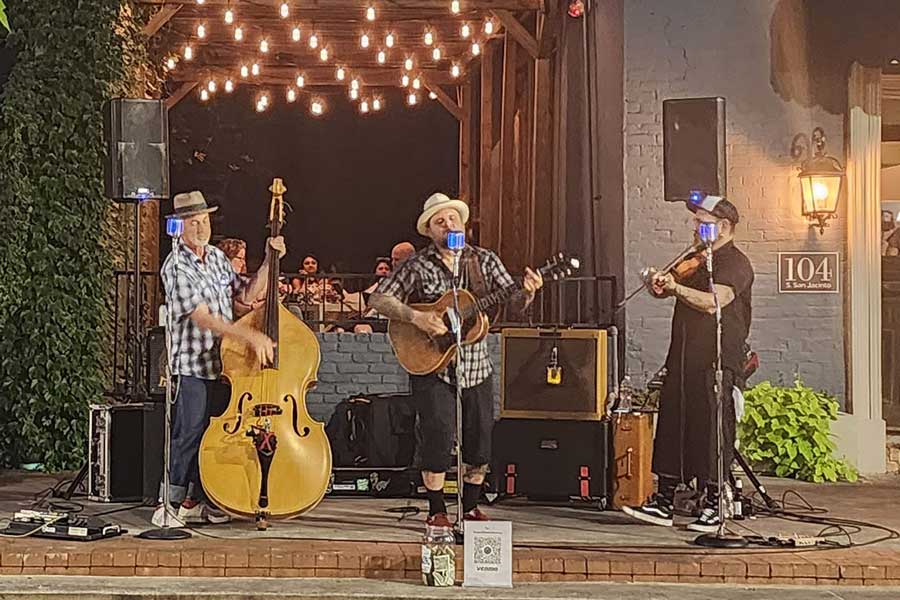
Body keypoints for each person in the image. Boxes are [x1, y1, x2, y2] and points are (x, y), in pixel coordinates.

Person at [368, 193, 543, 529]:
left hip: (477, 365)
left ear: (462, 224)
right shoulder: (417, 265)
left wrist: (530, 291)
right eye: (440, 221)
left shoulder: (484, 261)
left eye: (452, 219)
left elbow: (516, 301)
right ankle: (437, 511)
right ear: (431, 231)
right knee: (437, 437)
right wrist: (417, 318)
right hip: (433, 367)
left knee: (480, 441)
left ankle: (472, 506)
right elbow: (379, 298)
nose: (448, 225)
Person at [153, 191, 285, 528]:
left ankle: (204, 500)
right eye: (193, 221)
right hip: (192, 365)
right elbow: (202, 317)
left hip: (226, 368)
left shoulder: (216, 257)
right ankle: (167, 505)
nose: (200, 227)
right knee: (189, 435)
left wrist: (271, 261)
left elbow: (245, 294)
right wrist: (248, 336)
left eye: (204, 220)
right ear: (180, 226)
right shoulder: (175, 265)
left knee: (219, 438)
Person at [623, 195, 753, 533]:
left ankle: (713, 502)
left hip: (717, 358)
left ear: (724, 227)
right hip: (682, 356)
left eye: (702, 221)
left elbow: (715, 302)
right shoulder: (694, 257)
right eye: (695, 221)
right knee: (673, 422)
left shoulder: (734, 263)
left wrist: (676, 288)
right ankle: (665, 499)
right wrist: (658, 284)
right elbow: (668, 289)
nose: (694, 226)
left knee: (710, 428)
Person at [216, 238, 264, 317]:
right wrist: (252, 307)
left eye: (244, 259)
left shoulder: (237, 279)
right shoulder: (220, 278)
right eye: (240, 258)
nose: (243, 263)